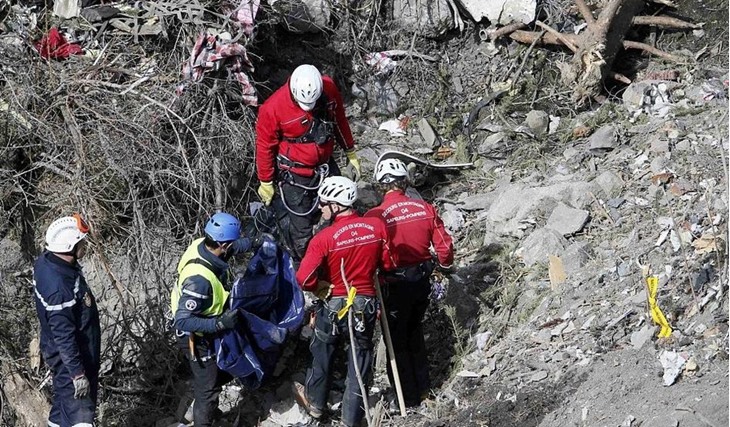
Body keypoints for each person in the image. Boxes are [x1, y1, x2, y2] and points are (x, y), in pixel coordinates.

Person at [292, 176, 396, 427]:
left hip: (333, 303)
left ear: (336, 206)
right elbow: (388, 264)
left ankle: (316, 405)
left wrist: (318, 286)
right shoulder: (376, 227)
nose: (320, 207)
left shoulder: (324, 238)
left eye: (323, 203)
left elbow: (303, 278)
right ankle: (352, 418)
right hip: (365, 303)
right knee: (360, 358)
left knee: (322, 352)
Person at [364, 158, 454, 408]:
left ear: (380, 185)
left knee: (396, 341)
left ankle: (408, 398)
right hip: (420, 281)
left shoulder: (374, 216)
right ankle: (424, 388)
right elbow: (444, 248)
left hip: (392, 285)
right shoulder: (424, 208)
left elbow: (368, 257)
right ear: (404, 182)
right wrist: (445, 266)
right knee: (415, 332)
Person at [255, 64, 361, 261]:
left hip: (325, 166)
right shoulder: (273, 108)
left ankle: (343, 255)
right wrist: (266, 181)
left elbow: (339, 120)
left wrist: (350, 151)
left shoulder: (328, 89)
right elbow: (264, 147)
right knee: (301, 228)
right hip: (295, 174)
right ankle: (307, 264)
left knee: (342, 211)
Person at [170, 212, 253, 427]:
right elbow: (182, 321)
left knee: (215, 376)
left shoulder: (203, 244)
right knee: (208, 389)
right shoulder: (199, 281)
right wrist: (219, 324)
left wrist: (254, 242)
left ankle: (193, 410)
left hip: (205, 328)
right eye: (231, 243)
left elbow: (231, 248)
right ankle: (202, 419)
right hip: (195, 337)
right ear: (222, 244)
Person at [33, 213, 100, 427]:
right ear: (70, 246)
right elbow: (64, 336)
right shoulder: (59, 288)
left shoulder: (47, 262)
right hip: (72, 361)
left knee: (62, 412)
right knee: (81, 419)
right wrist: (78, 374)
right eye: (81, 242)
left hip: (63, 356)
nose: (85, 246)